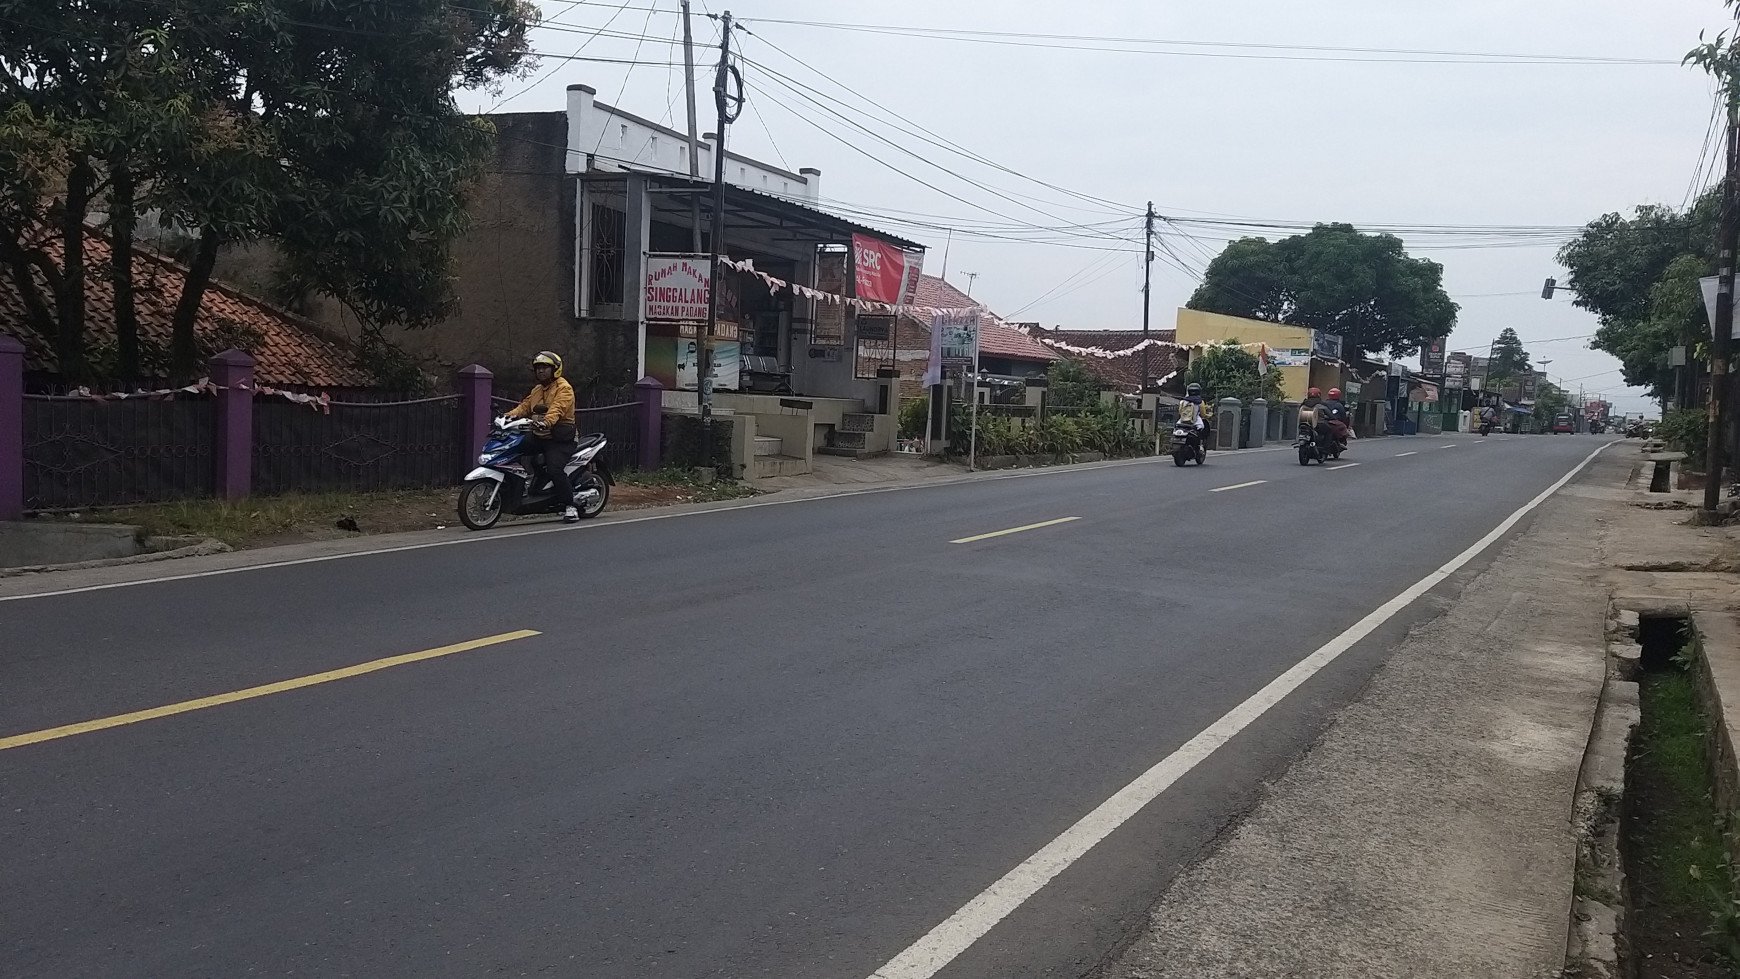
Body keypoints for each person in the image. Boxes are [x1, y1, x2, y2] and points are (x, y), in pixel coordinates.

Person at [505, 350, 580, 522]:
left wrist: (546, 422)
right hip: (540, 435)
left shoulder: (564, 388)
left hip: (560, 439)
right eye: (538, 368)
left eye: (545, 367)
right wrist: (508, 416)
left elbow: (557, 408)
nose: (541, 371)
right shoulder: (538, 389)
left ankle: (570, 506)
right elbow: (525, 406)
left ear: (555, 369)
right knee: (512, 449)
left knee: (555, 469)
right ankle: (524, 485)